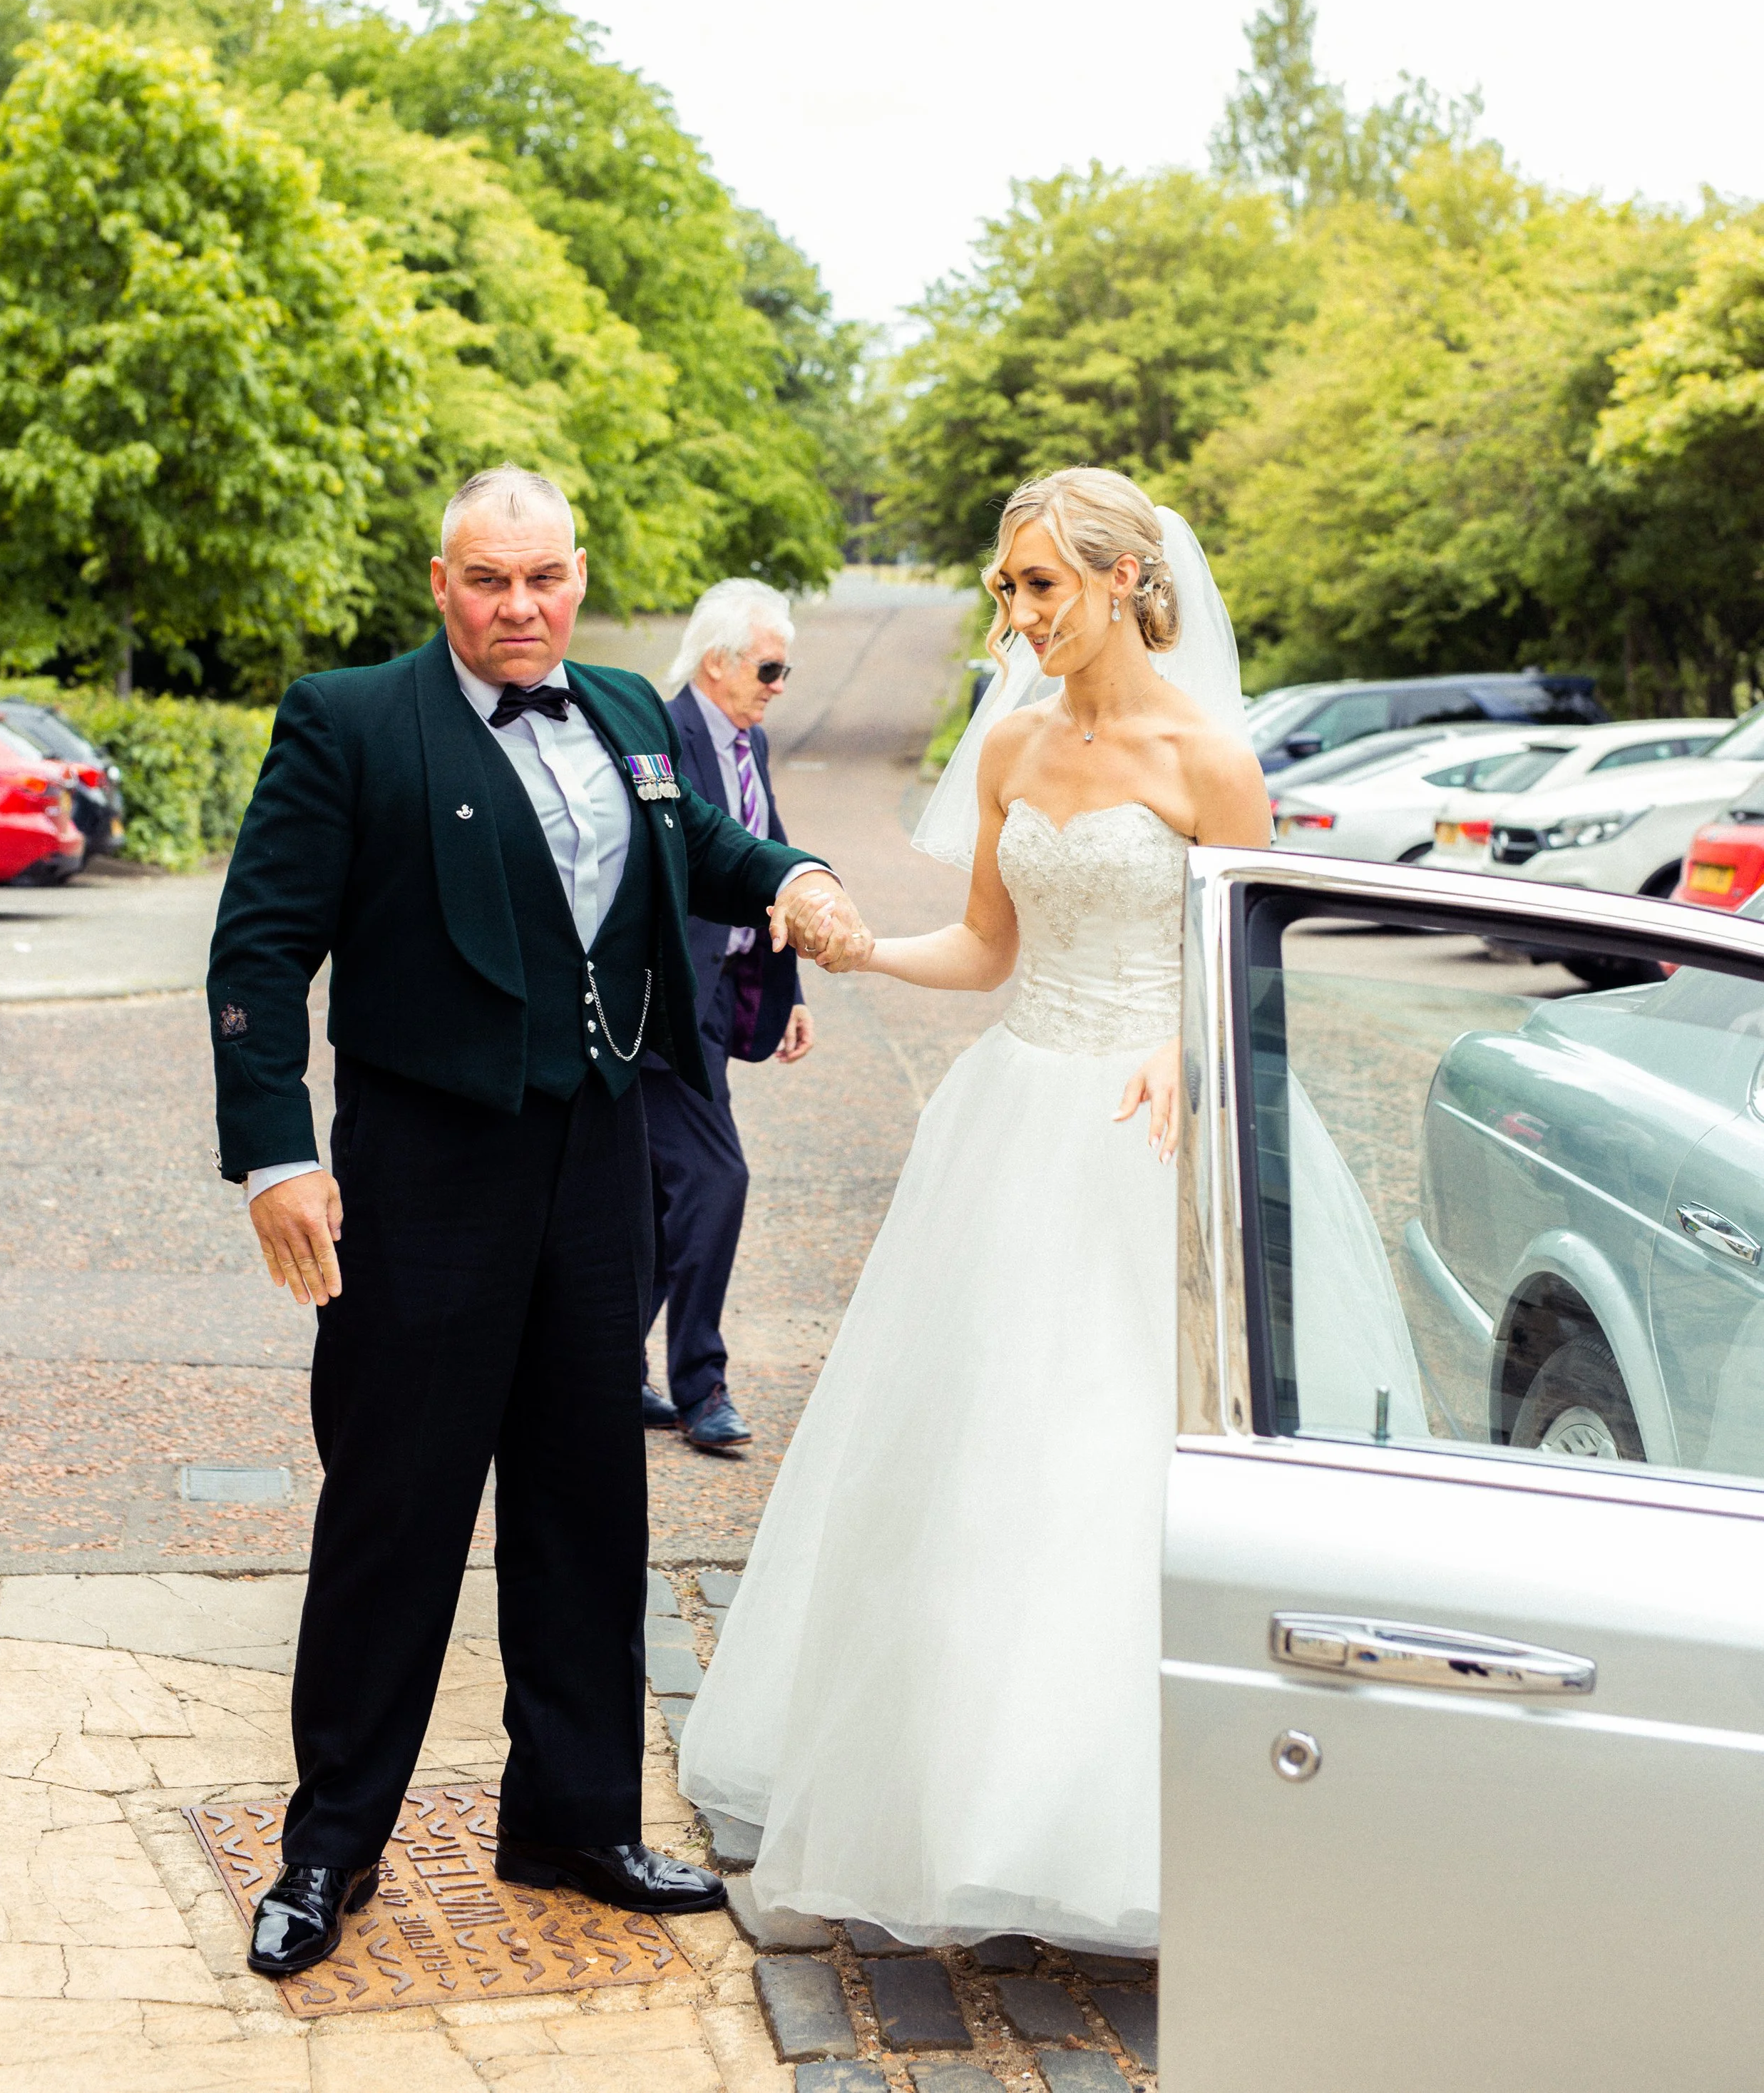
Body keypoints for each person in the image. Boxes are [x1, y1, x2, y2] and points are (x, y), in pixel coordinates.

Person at [678, 464, 1425, 1953]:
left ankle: (1147, 1830)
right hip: (1015, 1122)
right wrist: (864, 951)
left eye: (1038, 586)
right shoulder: (1011, 747)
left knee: (1118, 1464)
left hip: (1155, 1142)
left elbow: (1248, 969)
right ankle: (962, 1811)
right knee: (976, 1459)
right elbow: (982, 946)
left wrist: (1175, 1041)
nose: (1015, 614)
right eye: (1004, 586)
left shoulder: (1207, 758)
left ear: (1122, 584)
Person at [207, 466, 866, 1982]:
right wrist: (274, 1160)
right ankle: (329, 1847)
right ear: (440, 580)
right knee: (396, 1511)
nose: (519, 609)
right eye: (488, 581)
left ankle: (570, 1818)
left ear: (577, 578)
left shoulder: (633, 709)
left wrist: (796, 877)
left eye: (544, 580)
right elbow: (258, 948)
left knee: (587, 1503)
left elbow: (699, 844)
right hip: (423, 1174)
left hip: (598, 1161)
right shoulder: (351, 720)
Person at [642, 578, 814, 1452]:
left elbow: (762, 865)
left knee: (652, 1191)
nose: (780, 685)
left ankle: (598, 1359)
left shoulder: (753, 744)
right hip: (665, 1003)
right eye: (770, 668)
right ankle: (700, 1386)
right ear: (718, 662)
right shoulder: (662, 738)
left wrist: (791, 994)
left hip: (725, 999)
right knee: (715, 1179)